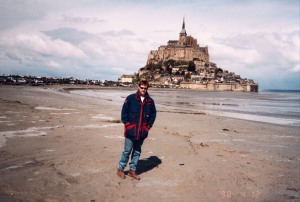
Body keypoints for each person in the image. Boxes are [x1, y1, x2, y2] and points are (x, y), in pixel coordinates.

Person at [117, 80, 157, 180]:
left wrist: (148, 127)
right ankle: (120, 169)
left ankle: (132, 170)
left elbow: (153, 115)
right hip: (131, 130)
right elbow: (124, 113)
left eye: (145, 88)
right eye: (142, 88)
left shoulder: (150, 101)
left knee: (137, 152)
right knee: (127, 151)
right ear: (138, 87)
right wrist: (127, 124)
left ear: (147, 88)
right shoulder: (131, 98)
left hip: (142, 132)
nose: (143, 90)